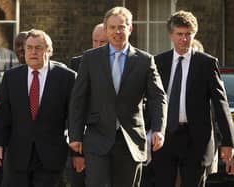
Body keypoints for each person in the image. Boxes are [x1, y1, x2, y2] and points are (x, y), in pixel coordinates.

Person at [68, 6, 167, 187]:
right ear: (106, 30)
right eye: (112, 27)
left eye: (122, 27)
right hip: (97, 137)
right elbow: (78, 99)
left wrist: (159, 129)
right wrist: (75, 135)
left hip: (130, 139)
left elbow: (157, 97)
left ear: (130, 29)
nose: (117, 32)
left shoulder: (145, 60)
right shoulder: (90, 59)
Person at [153, 10, 234, 187]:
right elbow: (151, 99)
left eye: (188, 34)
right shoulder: (158, 62)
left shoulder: (206, 63)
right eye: (179, 34)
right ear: (171, 35)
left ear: (194, 34)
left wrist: (229, 142)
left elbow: (220, 103)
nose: (184, 39)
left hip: (196, 139)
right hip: (165, 136)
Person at [0, 29, 76, 187]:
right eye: (29, 47)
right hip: (17, 155)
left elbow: (74, 117)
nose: (33, 52)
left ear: (49, 51)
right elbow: (2, 114)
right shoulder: (11, 77)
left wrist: (77, 153)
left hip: (50, 157)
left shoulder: (67, 77)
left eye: (38, 48)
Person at [69, 23, 108, 187]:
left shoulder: (128, 63)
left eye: (103, 42)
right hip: (88, 140)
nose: (98, 46)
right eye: (95, 41)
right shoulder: (79, 63)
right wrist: (77, 153)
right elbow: (75, 108)